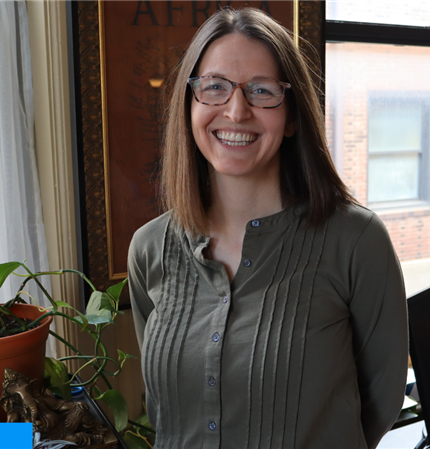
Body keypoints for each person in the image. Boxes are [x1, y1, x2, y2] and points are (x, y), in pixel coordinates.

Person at [128, 8, 408, 449]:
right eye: (215, 87)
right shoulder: (149, 249)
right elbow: (164, 412)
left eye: (262, 91)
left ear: (292, 117)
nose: (236, 111)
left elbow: (381, 401)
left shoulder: (357, 242)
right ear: (190, 106)